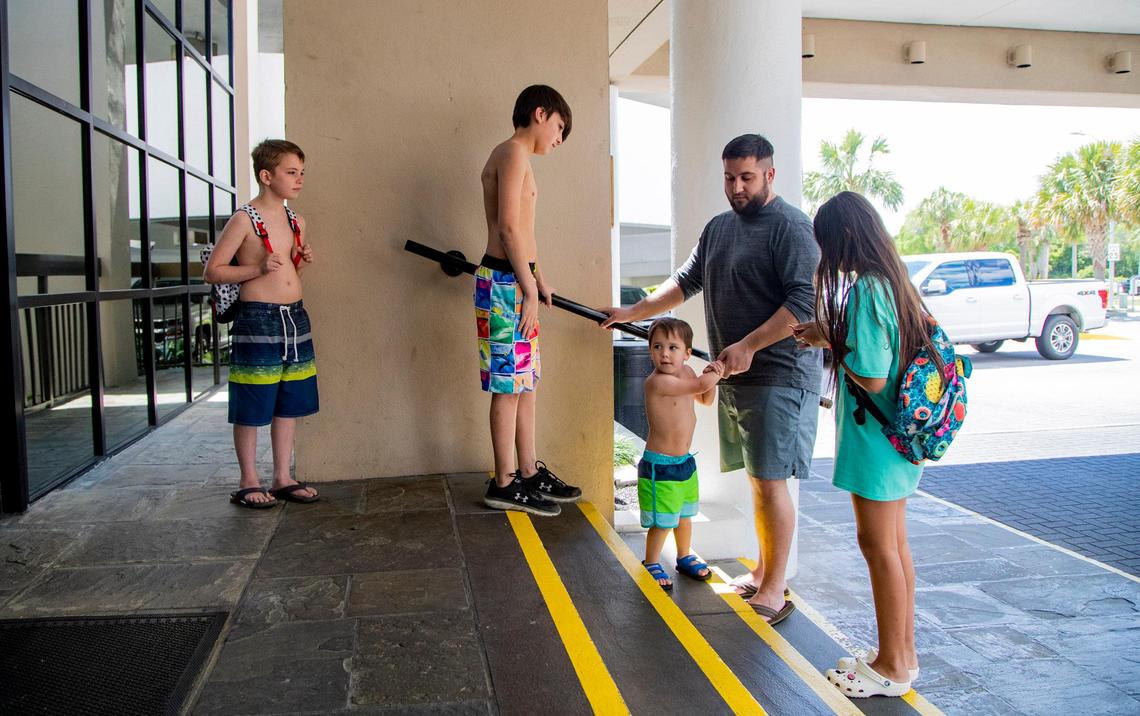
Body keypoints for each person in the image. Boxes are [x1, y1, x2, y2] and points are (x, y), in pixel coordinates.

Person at [603, 134, 821, 625]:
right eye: (729, 177)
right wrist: (631, 312)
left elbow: (802, 304)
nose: (737, 187)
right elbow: (683, 283)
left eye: (747, 177)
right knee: (760, 480)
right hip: (737, 376)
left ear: (770, 174)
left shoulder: (791, 227)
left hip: (781, 374)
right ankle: (765, 571)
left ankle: (774, 588)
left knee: (771, 481)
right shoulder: (719, 228)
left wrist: (747, 345)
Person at [792, 191, 929, 698]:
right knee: (894, 545)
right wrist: (829, 334)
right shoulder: (895, 281)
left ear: (843, 238)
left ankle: (891, 665)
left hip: (875, 438)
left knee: (877, 546)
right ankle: (902, 654)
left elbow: (871, 375)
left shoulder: (868, 289)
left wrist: (836, 344)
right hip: (899, 438)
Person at [477, 85, 582, 516]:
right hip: (504, 284)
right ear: (541, 113)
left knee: (526, 384)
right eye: (560, 128)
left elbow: (524, 232)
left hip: (517, 282)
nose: (559, 139)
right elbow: (507, 228)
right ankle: (503, 482)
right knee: (508, 386)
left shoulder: (517, 157)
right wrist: (527, 290)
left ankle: (527, 472)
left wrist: (539, 280)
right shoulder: (512, 153)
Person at [205, 139, 319, 508]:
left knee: (288, 400)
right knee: (254, 400)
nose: (299, 179)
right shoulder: (244, 219)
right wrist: (256, 268)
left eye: (302, 173)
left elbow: (288, 270)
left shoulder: (296, 220)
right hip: (258, 319)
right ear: (266, 176)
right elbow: (213, 271)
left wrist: (300, 261)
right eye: (291, 173)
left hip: (295, 317)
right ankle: (248, 480)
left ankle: (283, 477)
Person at [638, 318, 725, 590]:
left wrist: (711, 375)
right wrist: (718, 371)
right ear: (650, 350)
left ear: (687, 353)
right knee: (663, 522)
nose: (664, 353)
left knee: (685, 517)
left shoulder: (688, 374)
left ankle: (684, 555)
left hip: (685, 463)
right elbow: (700, 386)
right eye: (658, 346)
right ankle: (651, 561)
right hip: (660, 466)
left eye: (673, 347)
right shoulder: (656, 382)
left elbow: (705, 398)